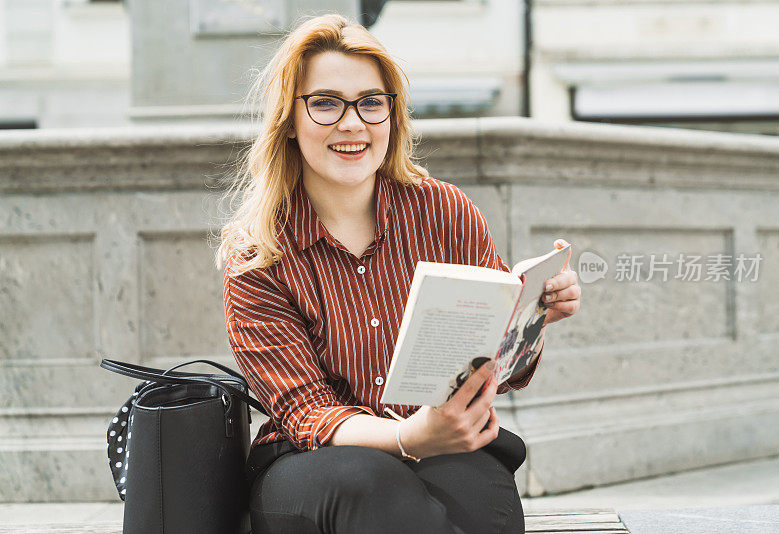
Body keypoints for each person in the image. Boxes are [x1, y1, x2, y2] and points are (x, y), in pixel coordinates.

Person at [214, 13, 581, 534]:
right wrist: (410, 437)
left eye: (370, 102)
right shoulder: (259, 254)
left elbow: (503, 371)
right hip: (312, 462)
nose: (352, 123)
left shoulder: (444, 212)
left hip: (445, 442)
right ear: (288, 122)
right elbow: (306, 413)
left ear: (392, 114)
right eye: (324, 103)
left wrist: (532, 315)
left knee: (483, 506)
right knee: (375, 488)